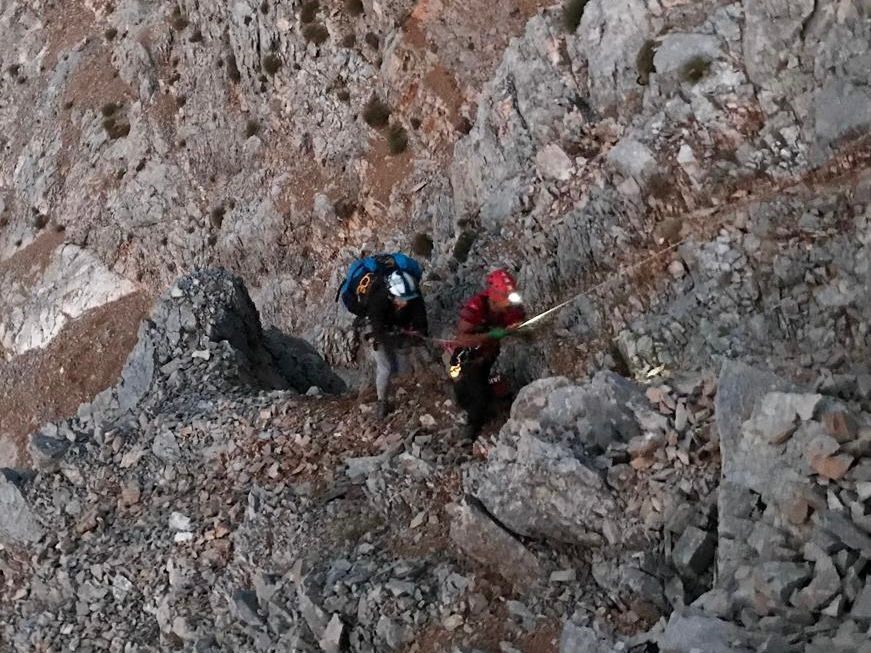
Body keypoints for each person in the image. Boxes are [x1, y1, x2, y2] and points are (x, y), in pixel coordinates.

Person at [450, 269, 526, 439]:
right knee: (468, 388)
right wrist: (491, 335)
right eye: (506, 296)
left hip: (489, 356)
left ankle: (479, 418)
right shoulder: (477, 306)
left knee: (486, 392)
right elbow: (462, 338)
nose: (509, 301)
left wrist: (515, 329)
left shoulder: (511, 306)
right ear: (496, 295)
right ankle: (469, 416)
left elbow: (519, 322)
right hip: (469, 357)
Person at [360, 269, 429, 419]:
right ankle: (382, 401)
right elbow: (376, 325)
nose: (406, 302)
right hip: (378, 330)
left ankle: (408, 393)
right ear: (392, 295)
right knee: (385, 367)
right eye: (402, 299)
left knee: (404, 364)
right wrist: (382, 338)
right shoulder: (378, 299)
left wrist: (419, 333)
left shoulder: (413, 295)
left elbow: (420, 316)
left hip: (398, 326)